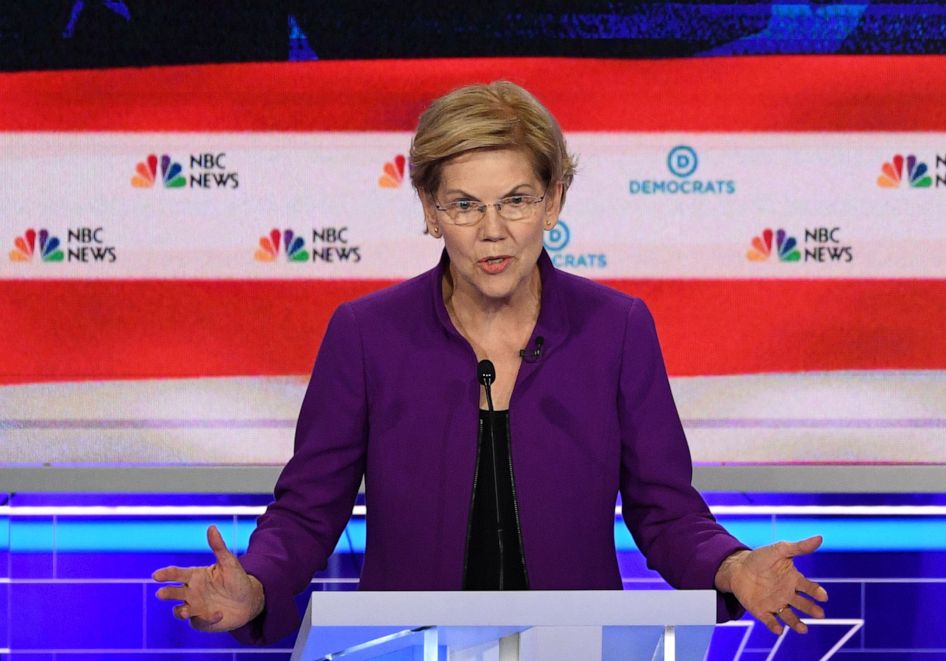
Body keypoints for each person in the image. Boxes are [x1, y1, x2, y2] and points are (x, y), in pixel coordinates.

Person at [153, 80, 828, 643]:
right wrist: (258, 583)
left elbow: (665, 510)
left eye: (516, 200)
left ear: (554, 200)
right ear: (430, 210)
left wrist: (733, 566)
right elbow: (308, 511)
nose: (493, 231)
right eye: (465, 206)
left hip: (577, 648)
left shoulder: (615, 329)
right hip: (408, 648)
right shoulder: (367, 334)